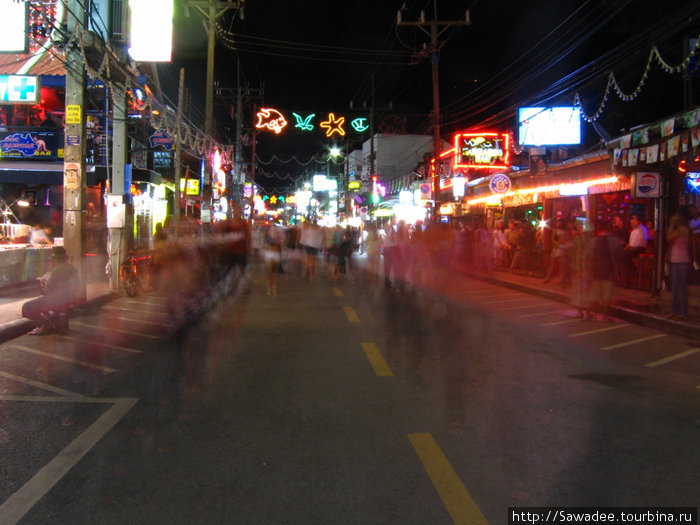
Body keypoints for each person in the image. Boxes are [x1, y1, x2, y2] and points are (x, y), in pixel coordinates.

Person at [22, 246, 79, 335]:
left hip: (57, 301)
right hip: (70, 299)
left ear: (54, 259)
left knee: (26, 307)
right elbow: (77, 286)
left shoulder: (57, 271)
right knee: (41, 300)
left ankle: (46, 324)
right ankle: (50, 324)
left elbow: (48, 288)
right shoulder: (72, 268)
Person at [588, 221, 621, 321]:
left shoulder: (594, 241)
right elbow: (619, 255)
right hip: (610, 271)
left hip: (596, 270)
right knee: (607, 295)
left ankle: (593, 314)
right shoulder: (615, 240)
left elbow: (590, 255)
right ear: (610, 229)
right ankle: (605, 316)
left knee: (595, 294)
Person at [666, 213, 690, 320]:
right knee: (675, 287)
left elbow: (671, 237)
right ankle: (674, 311)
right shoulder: (675, 230)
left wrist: (672, 227)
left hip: (682, 260)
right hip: (674, 260)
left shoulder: (684, 230)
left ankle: (682, 312)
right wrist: (671, 227)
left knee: (682, 287)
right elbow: (668, 238)